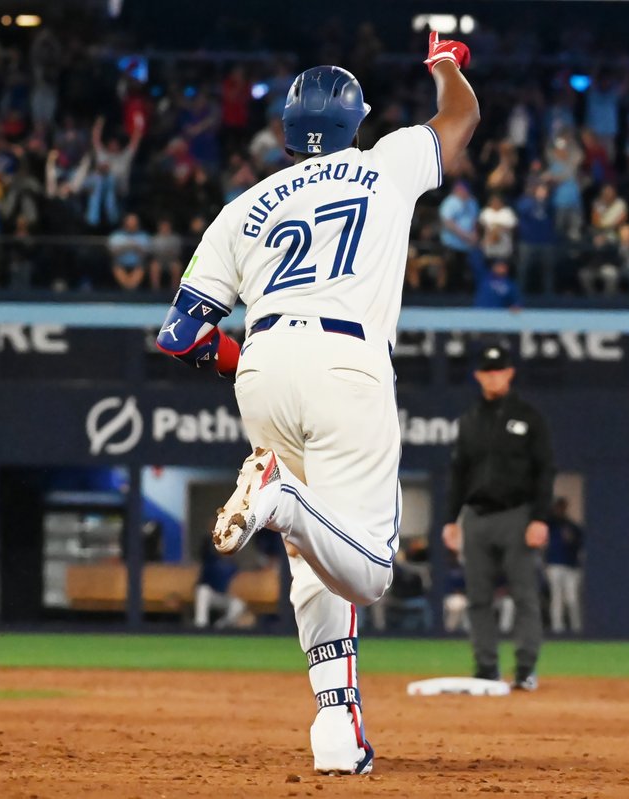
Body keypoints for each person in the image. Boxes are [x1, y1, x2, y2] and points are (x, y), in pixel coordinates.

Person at [155, 32, 478, 775]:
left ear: (286, 132)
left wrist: (245, 361)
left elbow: (179, 336)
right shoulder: (384, 163)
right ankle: (280, 498)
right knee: (369, 570)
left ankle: (336, 724)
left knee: (313, 554)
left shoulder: (241, 207)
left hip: (263, 363)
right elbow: (460, 120)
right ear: (355, 123)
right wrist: (446, 65)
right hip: (346, 358)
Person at [441, 344, 554, 690]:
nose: (493, 377)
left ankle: (525, 669)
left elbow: (545, 470)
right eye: (487, 371)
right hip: (476, 518)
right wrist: (451, 519)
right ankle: (486, 668)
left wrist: (539, 518)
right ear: (478, 376)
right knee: (478, 597)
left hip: (516, 516)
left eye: (499, 370)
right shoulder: (470, 421)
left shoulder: (529, 417)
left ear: (510, 373)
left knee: (524, 596)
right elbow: (459, 473)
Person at [544, 497, 583, 635]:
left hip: (571, 566)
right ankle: (557, 628)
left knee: (572, 598)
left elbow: (581, 542)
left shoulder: (572, 526)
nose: (560, 510)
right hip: (554, 565)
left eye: (562, 507)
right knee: (557, 597)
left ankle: (576, 627)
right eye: (558, 507)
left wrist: (572, 540)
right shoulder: (550, 524)